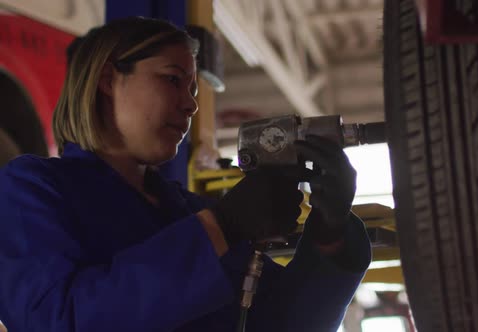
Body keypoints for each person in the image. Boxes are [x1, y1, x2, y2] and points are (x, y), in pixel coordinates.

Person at [0, 17, 371, 332]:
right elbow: (56, 320)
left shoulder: (186, 211)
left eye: (193, 89)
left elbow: (282, 325)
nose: (192, 104)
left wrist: (329, 235)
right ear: (108, 79)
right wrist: (220, 227)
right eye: (173, 80)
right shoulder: (33, 189)